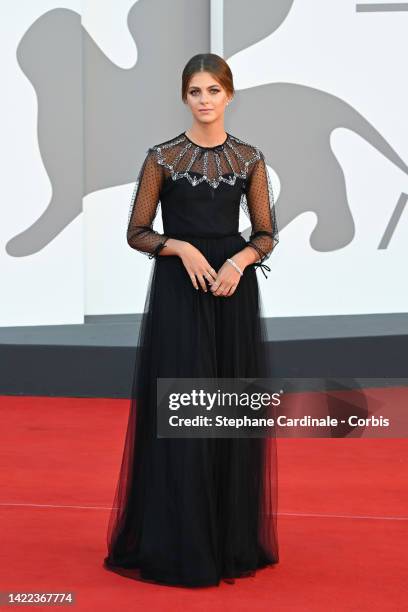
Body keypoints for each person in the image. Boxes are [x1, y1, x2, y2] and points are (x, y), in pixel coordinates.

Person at [103, 53, 280, 588]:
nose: (205, 100)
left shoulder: (249, 158)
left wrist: (239, 261)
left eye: (214, 90)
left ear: (230, 95)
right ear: (185, 97)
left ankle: (228, 541)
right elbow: (137, 231)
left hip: (231, 294)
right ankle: (181, 543)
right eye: (196, 91)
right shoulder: (162, 158)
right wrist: (179, 247)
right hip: (181, 295)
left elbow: (266, 234)